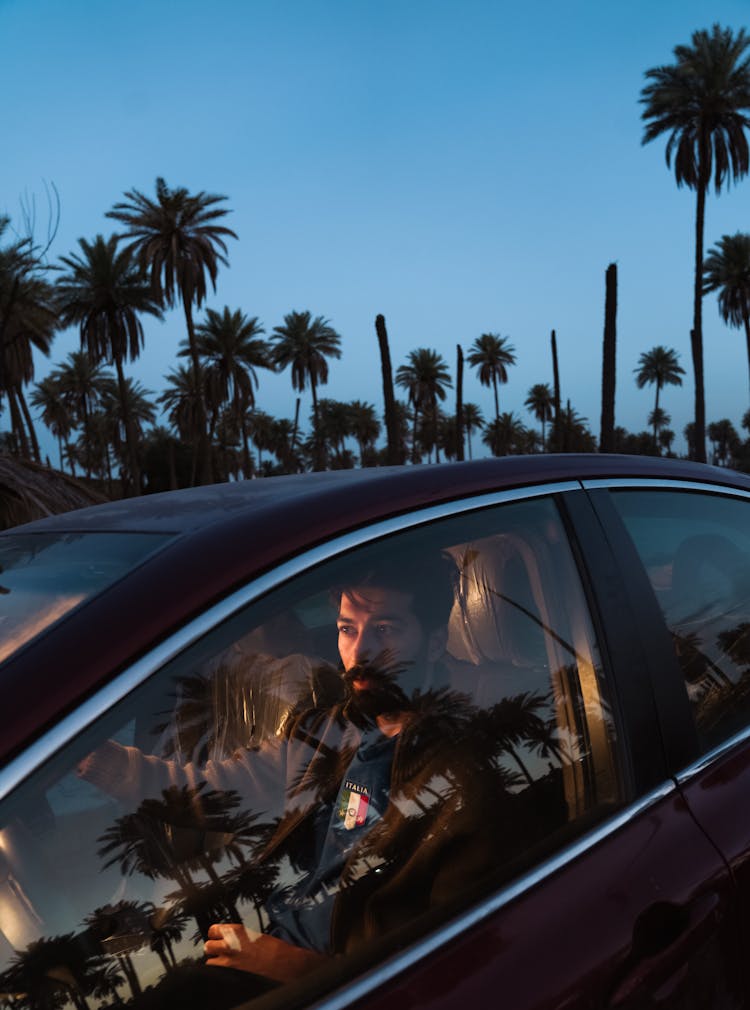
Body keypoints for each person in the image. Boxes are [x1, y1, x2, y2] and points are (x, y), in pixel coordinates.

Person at [79, 551, 509, 991]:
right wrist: (87, 753)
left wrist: (299, 971)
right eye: (347, 629)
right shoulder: (326, 731)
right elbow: (208, 791)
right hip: (264, 943)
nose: (359, 651)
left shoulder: (461, 776)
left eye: (385, 629)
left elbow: (459, 970)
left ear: (435, 641)